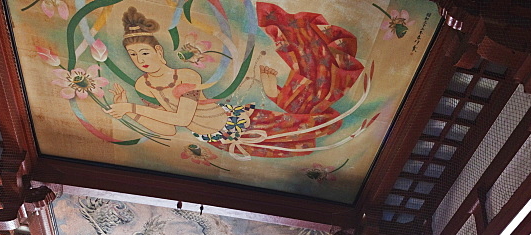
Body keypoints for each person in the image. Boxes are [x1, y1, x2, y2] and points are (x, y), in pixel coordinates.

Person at [104, 6, 364, 159]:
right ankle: (276, 92)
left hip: (241, 122)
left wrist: (132, 109)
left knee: (316, 126)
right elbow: (169, 129)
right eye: (133, 55)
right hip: (220, 139)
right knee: (296, 148)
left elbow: (182, 119)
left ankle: (275, 92)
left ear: (159, 52)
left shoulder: (187, 76)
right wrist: (130, 114)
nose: (140, 60)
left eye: (145, 53)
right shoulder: (143, 86)